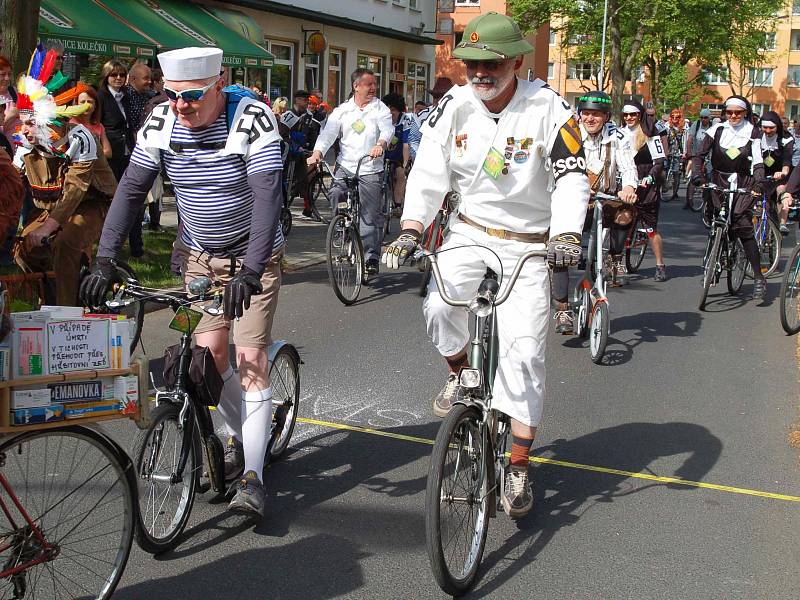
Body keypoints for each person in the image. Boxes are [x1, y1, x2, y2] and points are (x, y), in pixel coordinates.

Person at [381, 12, 589, 517]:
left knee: (524, 357)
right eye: (472, 62)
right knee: (437, 305)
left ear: (517, 61)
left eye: (492, 63)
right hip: (469, 230)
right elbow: (430, 168)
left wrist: (566, 233)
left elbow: (571, 177)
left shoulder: (550, 108)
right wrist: (411, 228)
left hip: (531, 243)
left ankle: (517, 466)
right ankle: (461, 372)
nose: (480, 73)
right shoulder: (453, 104)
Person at [80, 47, 285, 518]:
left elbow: (269, 196)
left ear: (218, 84)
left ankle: (253, 475)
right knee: (208, 356)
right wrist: (105, 260)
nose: (180, 106)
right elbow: (132, 188)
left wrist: (251, 272)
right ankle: (251, 430)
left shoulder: (251, 118)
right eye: (170, 95)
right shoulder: (162, 120)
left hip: (255, 253)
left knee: (250, 356)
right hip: (200, 254)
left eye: (191, 96)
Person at [13, 51, 116, 307]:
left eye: (30, 123)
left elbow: (76, 189)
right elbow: (12, 183)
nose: (23, 130)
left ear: (47, 120)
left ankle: (66, 314)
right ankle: (43, 301)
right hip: (55, 208)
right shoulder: (26, 144)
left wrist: (49, 227)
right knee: (23, 249)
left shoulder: (80, 138)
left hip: (94, 204)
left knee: (66, 243)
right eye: (22, 123)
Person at [551, 91, 638, 333]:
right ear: (579, 115)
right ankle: (562, 310)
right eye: (586, 113)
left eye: (596, 115)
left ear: (607, 117)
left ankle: (615, 258)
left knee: (626, 213)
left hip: (604, 199)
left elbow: (628, 165)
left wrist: (629, 186)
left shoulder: (617, 136)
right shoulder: (569, 134)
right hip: (571, 200)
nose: (590, 119)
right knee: (561, 248)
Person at [308, 68, 393, 277]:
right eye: (368, 84)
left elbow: (387, 130)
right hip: (346, 165)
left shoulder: (379, 109)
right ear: (356, 86)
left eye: (374, 84)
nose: (373, 88)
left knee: (369, 215)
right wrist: (317, 152)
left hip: (370, 167)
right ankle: (341, 227)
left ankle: (370, 256)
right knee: (336, 193)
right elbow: (328, 134)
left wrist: (381, 144)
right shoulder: (342, 111)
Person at [692, 95, 767, 301]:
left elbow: (759, 162)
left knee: (743, 227)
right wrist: (697, 175)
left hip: (743, 183)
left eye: (738, 112)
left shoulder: (753, 132)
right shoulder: (716, 130)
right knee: (718, 220)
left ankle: (759, 277)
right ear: (725, 112)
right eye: (730, 112)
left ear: (745, 113)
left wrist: (759, 184)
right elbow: (699, 155)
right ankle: (713, 260)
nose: (733, 116)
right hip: (719, 180)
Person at [620, 98, 669, 281]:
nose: (629, 118)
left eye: (633, 114)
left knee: (650, 229)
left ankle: (660, 265)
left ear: (639, 115)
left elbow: (659, 161)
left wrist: (650, 177)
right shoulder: (619, 133)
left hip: (646, 187)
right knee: (620, 225)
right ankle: (616, 262)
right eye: (626, 115)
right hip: (626, 186)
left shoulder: (650, 133)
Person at [281, 90, 322, 218]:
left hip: (302, 154)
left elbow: (311, 134)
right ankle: (283, 206)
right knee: (285, 182)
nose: (307, 103)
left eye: (307, 100)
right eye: (304, 100)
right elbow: (282, 134)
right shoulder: (289, 115)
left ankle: (308, 207)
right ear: (297, 100)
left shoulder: (309, 117)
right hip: (289, 154)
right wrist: (294, 146)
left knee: (307, 179)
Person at [97, 60, 134, 182]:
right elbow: (97, 123)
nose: (118, 78)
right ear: (106, 76)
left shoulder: (126, 96)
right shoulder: (100, 96)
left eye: (122, 75)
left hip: (127, 149)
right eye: (114, 75)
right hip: (110, 151)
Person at [758, 111, 794, 235]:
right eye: (765, 127)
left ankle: (783, 223)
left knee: (781, 190)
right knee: (755, 196)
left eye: (771, 128)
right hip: (761, 174)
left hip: (780, 174)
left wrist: (783, 172)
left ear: (777, 126)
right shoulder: (757, 137)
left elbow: (787, 160)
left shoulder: (786, 139)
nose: (768, 131)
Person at [408, 77, 453, 161]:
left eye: (443, 96)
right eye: (436, 96)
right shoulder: (420, 116)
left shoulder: (460, 114)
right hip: (427, 163)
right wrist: (421, 160)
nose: (439, 100)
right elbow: (414, 141)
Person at [381, 92, 411, 212]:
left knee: (400, 176)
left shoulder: (405, 120)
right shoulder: (381, 120)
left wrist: (404, 164)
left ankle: (398, 205)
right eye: (387, 109)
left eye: (393, 109)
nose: (390, 112)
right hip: (382, 155)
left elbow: (405, 144)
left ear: (399, 110)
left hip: (398, 155)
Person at [68, 85, 113, 158]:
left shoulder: (99, 126)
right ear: (76, 105)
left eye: (90, 102)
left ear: (95, 105)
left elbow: (108, 152)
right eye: (82, 102)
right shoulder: (70, 125)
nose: (87, 105)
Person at [685, 108, 713, 209]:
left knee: (708, 178)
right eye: (701, 117)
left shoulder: (713, 126)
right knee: (694, 177)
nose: (703, 120)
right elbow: (690, 139)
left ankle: (707, 202)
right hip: (697, 155)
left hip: (709, 156)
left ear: (709, 118)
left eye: (705, 118)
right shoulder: (696, 125)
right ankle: (689, 200)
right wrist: (689, 152)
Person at [662, 109, 685, 201]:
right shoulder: (667, 127)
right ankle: (664, 186)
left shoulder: (683, 128)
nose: (675, 119)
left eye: (677, 117)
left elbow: (684, 141)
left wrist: (684, 153)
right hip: (668, 152)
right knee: (663, 171)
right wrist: (665, 152)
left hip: (677, 154)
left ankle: (675, 192)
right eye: (673, 117)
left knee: (676, 173)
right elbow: (664, 140)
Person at [0, 55, 20, 138]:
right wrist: (10, 116)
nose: (7, 78)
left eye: (9, 74)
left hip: (20, 148)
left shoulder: (14, 92)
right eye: (3, 74)